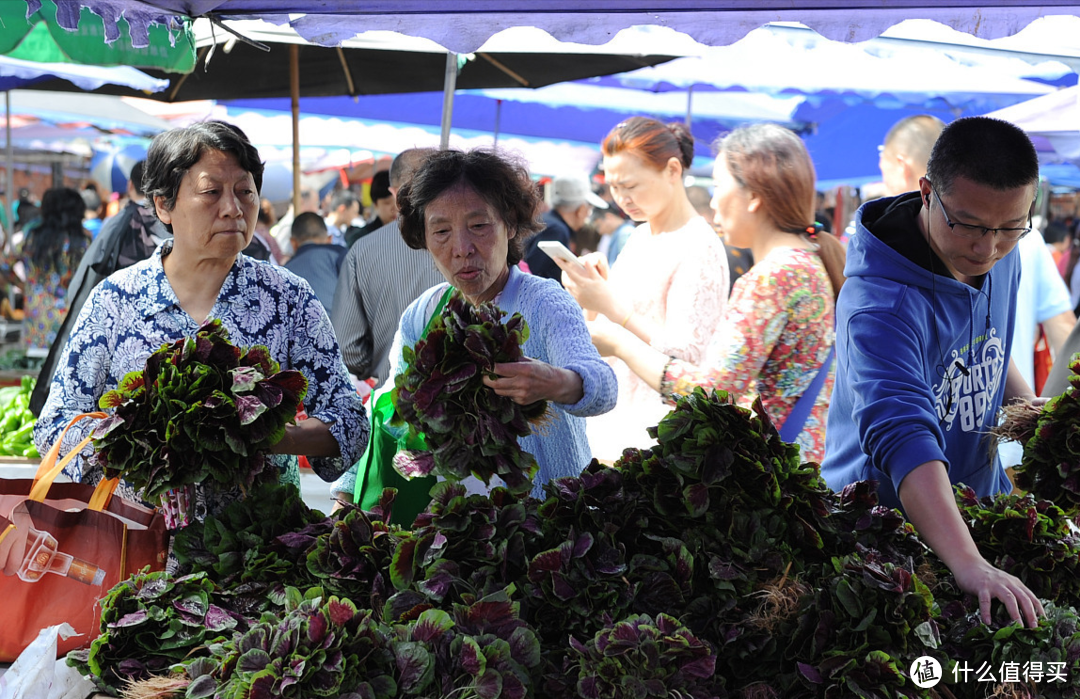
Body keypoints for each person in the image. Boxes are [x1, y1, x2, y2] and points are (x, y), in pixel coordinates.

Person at [34, 121, 367, 518]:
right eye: (211, 193)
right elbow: (55, 423)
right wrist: (137, 445)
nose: (233, 208)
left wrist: (264, 436)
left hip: (260, 550)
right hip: (138, 549)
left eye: (245, 192)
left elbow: (349, 422)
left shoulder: (287, 297)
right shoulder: (116, 300)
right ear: (164, 204)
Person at [821, 116, 1044, 628]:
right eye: (968, 224)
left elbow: (983, 343)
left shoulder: (997, 248)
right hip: (881, 538)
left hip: (975, 507)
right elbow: (904, 438)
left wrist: (1028, 411)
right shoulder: (881, 306)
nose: (986, 248)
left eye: (1010, 227)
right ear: (927, 192)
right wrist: (969, 565)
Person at [331, 147, 617, 504]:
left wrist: (557, 382)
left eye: (479, 226)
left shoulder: (544, 301)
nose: (462, 248)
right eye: (441, 231)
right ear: (423, 237)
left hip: (546, 518)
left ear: (510, 223)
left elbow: (603, 387)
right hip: (458, 525)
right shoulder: (423, 313)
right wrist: (347, 489)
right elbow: (389, 407)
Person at [580, 124, 844, 463]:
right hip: (800, 466)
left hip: (779, 473)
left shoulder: (774, 277)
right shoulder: (804, 263)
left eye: (719, 185)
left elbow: (713, 391)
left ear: (754, 195)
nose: (713, 200)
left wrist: (620, 343)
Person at [560, 116, 729, 461]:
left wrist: (610, 307)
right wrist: (590, 292)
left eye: (631, 186)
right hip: (612, 422)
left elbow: (685, 361)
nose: (622, 198)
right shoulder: (640, 235)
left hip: (658, 436)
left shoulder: (698, 245)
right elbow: (605, 330)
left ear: (672, 170)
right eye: (614, 188)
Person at [29, 162, 170, 416]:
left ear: (130, 185)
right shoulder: (80, 239)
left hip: (41, 311)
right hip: (71, 312)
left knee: (44, 366)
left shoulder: (32, 238)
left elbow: (81, 283)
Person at [330, 148, 446, 387]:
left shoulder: (362, 252)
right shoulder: (471, 246)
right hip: (464, 405)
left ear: (394, 193)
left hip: (391, 406)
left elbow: (347, 351)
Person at [11, 188, 91, 354]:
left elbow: (4, 265)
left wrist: (25, 286)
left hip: (36, 321)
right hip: (70, 322)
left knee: (32, 376)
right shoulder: (83, 243)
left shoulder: (31, 238)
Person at [523, 174, 608, 283]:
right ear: (581, 209)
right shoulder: (556, 230)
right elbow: (534, 272)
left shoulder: (545, 220)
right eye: (588, 208)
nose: (588, 214)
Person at [284, 211, 347, 314]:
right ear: (330, 239)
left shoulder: (284, 271)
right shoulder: (339, 254)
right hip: (341, 324)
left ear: (293, 243)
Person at [878, 115, 946, 197]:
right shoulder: (963, 201)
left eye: (887, 182)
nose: (884, 189)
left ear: (902, 168)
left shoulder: (891, 208)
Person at [347, 171, 395, 248]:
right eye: (387, 203)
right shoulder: (360, 239)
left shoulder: (413, 236)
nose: (395, 208)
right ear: (375, 204)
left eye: (399, 202)